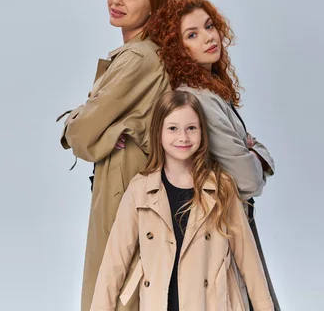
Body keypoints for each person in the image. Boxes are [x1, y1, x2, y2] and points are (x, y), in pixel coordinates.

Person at [142, 0, 280, 309]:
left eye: (209, 26)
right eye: (191, 34)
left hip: (229, 220)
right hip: (222, 224)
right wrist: (256, 155)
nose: (208, 37)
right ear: (179, 49)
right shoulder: (198, 99)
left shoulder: (211, 90)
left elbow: (248, 152)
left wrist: (251, 150)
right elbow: (248, 180)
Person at [58, 0, 173, 311]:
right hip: (129, 186)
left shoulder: (137, 59)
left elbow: (79, 131)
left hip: (122, 189)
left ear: (154, 6)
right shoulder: (147, 55)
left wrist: (83, 124)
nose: (117, 0)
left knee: (112, 292)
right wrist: (108, 132)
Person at [90, 90, 274, 311]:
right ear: (158, 132)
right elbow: (114, 264)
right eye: (173, 128)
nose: (183, 138)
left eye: (191, 128)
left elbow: (249, 261)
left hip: (213, 304)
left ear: (202, 133)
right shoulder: (140, 189)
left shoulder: (222, 186)